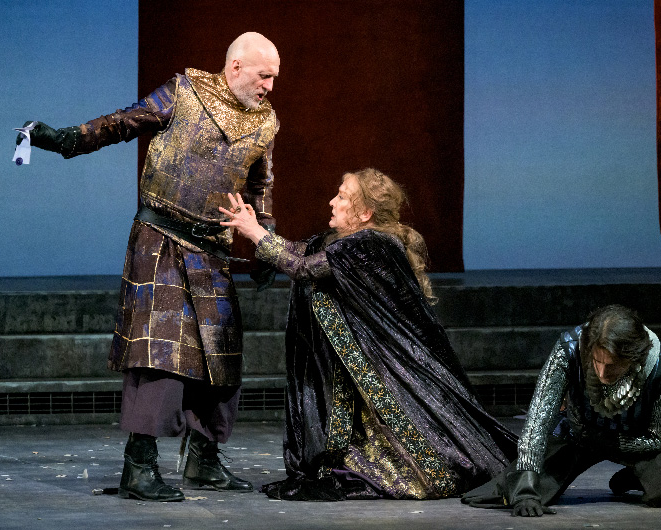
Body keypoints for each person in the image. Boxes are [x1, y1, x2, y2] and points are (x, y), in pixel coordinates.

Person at [19, 32, 281, 501]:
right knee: (158, 352)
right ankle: (138, 468)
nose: (270, 86)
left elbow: (259, 188)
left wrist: (264, 242)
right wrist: (67, 140)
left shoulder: (266, 123)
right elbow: (125, 122)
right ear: (236, 67)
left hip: (213, 251)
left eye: (275, 78)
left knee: (220, 355)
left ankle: (203, 462)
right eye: (265, 75)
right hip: (160, 239)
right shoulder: (184, 91)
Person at [219, 168, 518, 500]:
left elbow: (303, 269)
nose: (332, 202)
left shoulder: (372, 244)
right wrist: (256, 229)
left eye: (343, 197)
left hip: (388, 358)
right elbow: (301, 253)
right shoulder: (344, 242)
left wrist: (254, 233)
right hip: (362, 360)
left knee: (424, 441)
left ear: (365, 214)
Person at [462, 304, 661, 516]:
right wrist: (526, 487)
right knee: (519, 490)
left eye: (612, 365)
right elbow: (540, 417)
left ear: (633, 358)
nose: (602, 373)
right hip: (578, 435)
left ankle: (635, 476)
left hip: (636, 441)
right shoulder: (569, 349)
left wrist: (612, 444)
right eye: (597, 362)